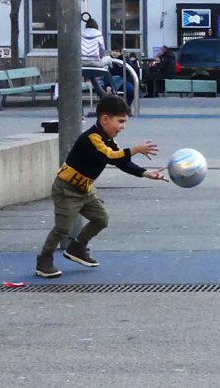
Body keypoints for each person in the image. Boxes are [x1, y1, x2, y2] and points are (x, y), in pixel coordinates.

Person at [34, 96, 167, 279]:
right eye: (120, 121)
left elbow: (122, 162)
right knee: (62, 229)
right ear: (105, 119)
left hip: (85, 189)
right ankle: (44, 260)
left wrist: (146, 173)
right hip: (67, 190)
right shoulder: (92, 138)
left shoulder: (107, 140)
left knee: (101, 219)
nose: (123, 127)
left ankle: (77, 247)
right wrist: (135, 149)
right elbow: (111, 156)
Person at [81, 18, 114, 97]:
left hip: (81, 63)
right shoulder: (98, 34)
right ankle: (106, 83)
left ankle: (102, 93)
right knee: (108, 59)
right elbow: (102, 49)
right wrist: (101, 56)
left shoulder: (80, 33)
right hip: (95, 63)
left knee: (91, 76)